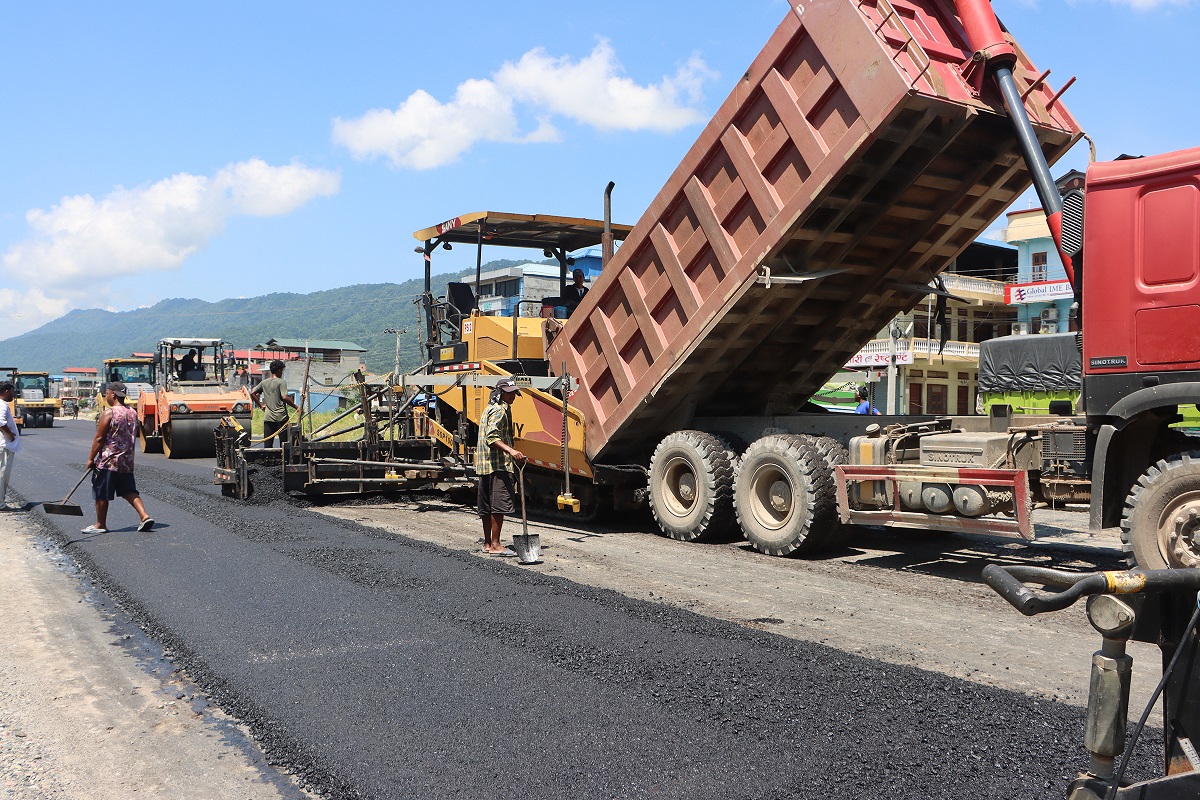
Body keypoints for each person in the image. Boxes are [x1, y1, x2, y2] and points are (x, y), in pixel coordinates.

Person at [83, 382, 154, 534]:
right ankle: (144, 516)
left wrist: (90, 459)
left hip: (108, 461)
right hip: (126, 461)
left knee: (101, 492)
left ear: (113, 394)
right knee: (129, 490)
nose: (106, 396)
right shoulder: (133, 413)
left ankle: (100, 525)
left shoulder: (109, 413)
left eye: (107, 393)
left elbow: (99, 439)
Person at [475, 377, 527, 556]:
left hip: (484, 466)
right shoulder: (500, 410)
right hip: (497, 466)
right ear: (500, 393)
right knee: (498, 506)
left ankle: (488, 543)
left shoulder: (488, 409)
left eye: (514, 393)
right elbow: (492, 437)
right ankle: (496, 545)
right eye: (509, 392)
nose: (512, 396)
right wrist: (511, 451)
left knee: (486, 506)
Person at [251, 360, 298, 447]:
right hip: (281, 418)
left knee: (268, 446)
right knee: (284, 445)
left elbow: (252, 393)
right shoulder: (281, 382)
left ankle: (268, 460)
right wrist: (296, 407)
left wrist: (261, 405)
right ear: (279, 370)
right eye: (282, 370)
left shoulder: (264, 382)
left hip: (268, 418)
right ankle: (284, 460)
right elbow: (285, 397)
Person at [0, 382, 21, 511]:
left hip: (3, 445)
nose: (13, 394)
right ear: (6, 391)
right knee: (2, 475)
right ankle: (0, 504)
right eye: (12, 392)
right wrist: (10, 435)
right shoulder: (2, 405)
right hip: (3, 445)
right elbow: (0, 422)